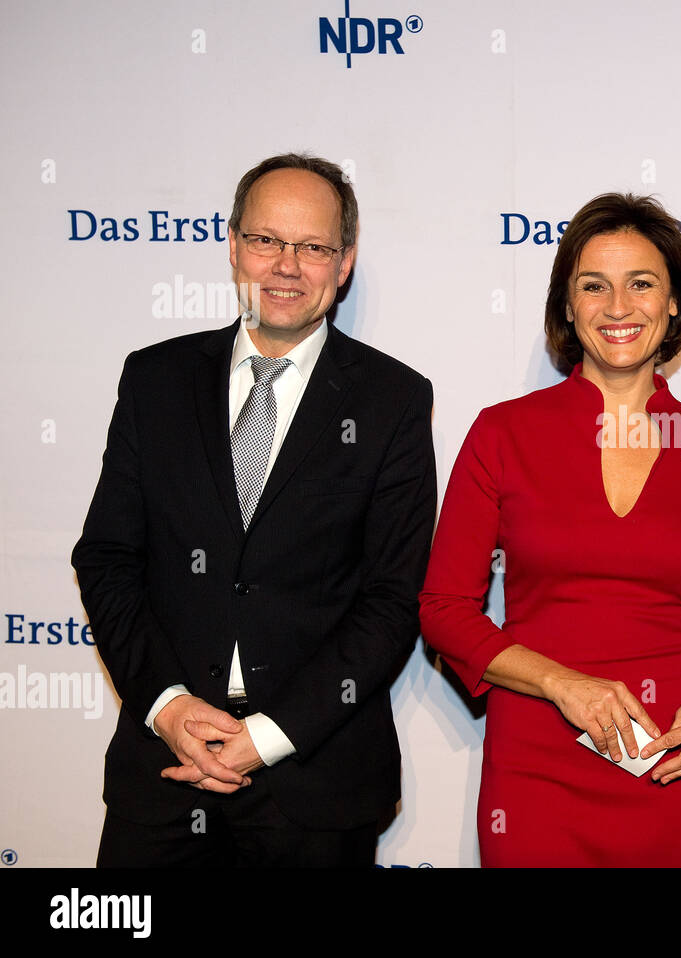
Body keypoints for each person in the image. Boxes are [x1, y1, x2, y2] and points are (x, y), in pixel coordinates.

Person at [71, 153, 437, 866]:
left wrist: (267, 737)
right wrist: (168, 705)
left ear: (345, 260)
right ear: (233, 244)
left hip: (315, 781)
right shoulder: (154, 380)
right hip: (164, 771)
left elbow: (392, 599)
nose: (287, 266)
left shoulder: (392, 401)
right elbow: (109, 559)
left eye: (314, 247)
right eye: (268, 240)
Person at [421, 193, 681, 867]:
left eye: (642, 284)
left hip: (671, 765)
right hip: (538, 767)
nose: (619, 306)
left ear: (674, 305)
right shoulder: (503, 433)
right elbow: (444, 611)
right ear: (567, 308)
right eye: (593, 286)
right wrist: (561, 684)